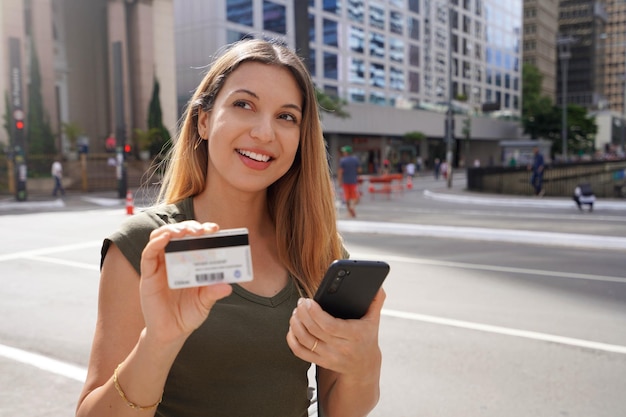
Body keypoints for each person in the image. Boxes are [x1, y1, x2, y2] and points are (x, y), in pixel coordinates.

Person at [76, 39, 384, 417]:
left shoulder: (319, 251)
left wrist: (364, 358)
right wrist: (158, 343)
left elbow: (341, 410)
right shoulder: (146, 246)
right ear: (204, 120)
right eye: (244, 105)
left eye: (286, 116)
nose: (264, 132)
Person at [337, 145, 361, 218]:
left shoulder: (342, 160)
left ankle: (349, 211)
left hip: (346, 181)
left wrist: (339, 181)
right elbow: (359, 170)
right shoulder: (355, 159)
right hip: (353, 181)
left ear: (346, 152)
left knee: (347, 197)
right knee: (355, 197)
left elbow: (340, 172)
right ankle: (352, 207)